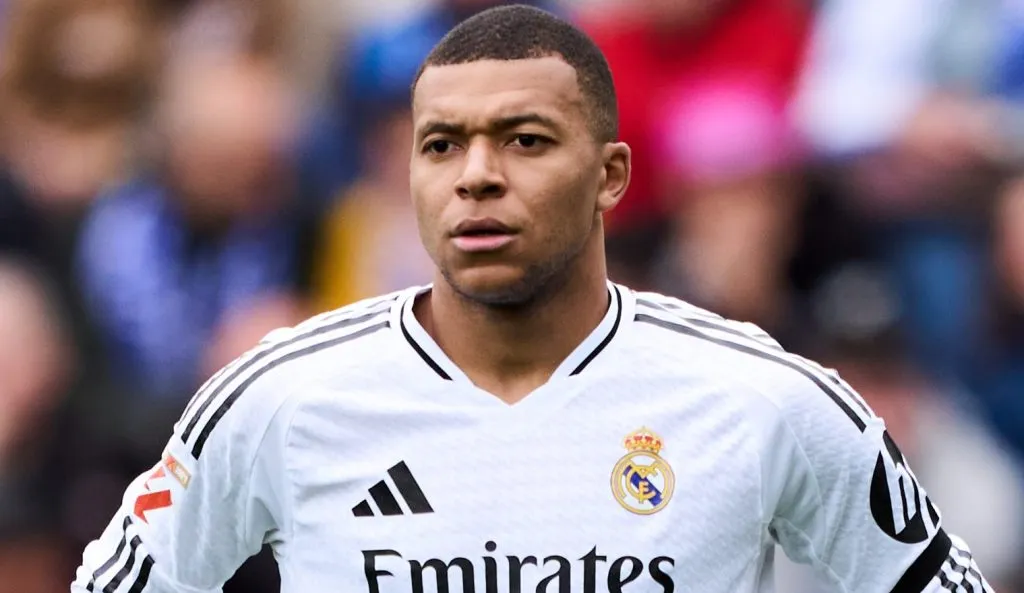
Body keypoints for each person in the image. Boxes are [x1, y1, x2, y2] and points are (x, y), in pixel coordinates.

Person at [72, 5, 993, 592]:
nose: (476, 176)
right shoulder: (277, 397)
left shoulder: (767, 400)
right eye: (441, 145)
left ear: (611, 174)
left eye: (524, 140)